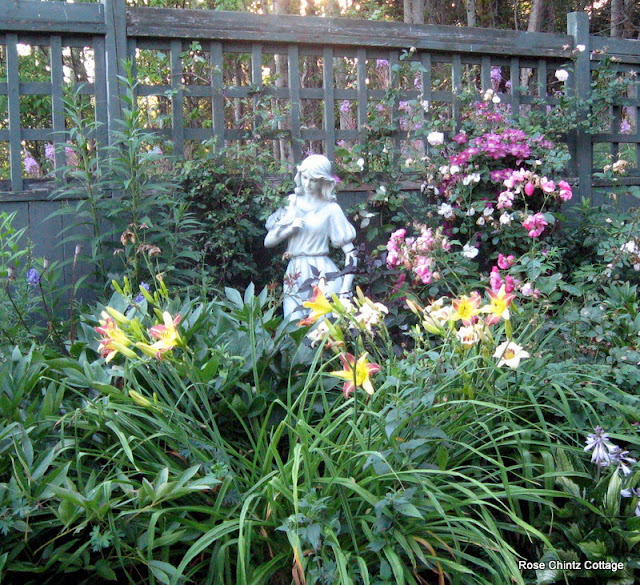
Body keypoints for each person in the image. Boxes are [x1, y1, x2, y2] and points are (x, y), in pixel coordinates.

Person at [265, 154, 357, 320]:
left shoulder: (331, 209)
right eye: (305, 177)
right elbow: (268, 242)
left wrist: (345, 289)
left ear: (323, 181)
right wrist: (289, 229)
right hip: (295, 274)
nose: (307, 184)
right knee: (293, 325)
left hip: (323, 275)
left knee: (322, 328)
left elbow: (351, 252)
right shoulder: (291, 203)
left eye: (313, 180)